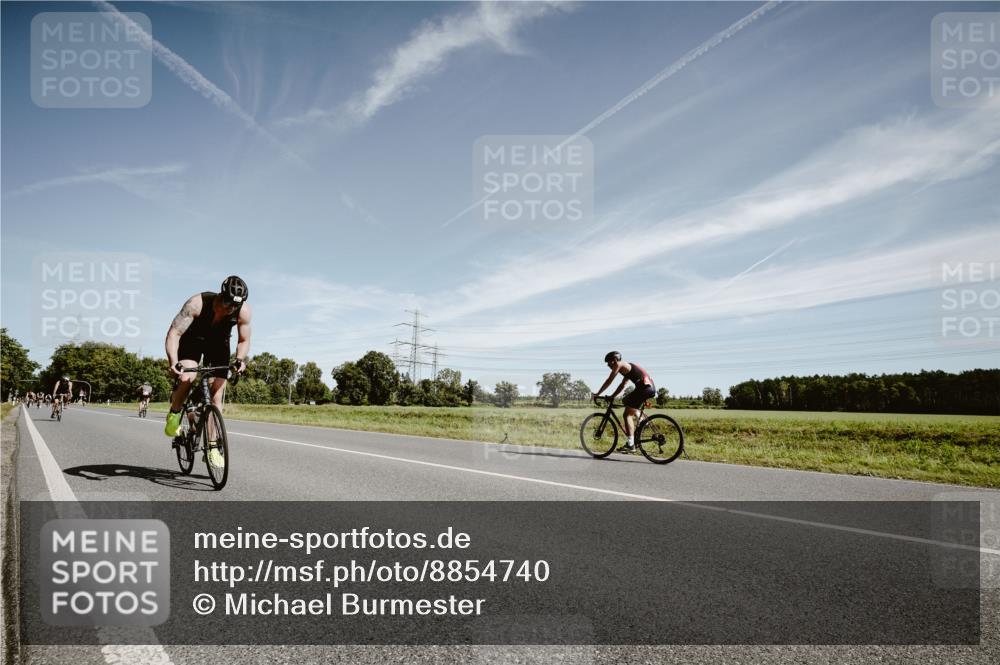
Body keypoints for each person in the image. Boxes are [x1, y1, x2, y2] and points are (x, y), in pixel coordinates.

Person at [163, 276, 252, 466]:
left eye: (235, 305)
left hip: (218, 344)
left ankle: (212, 447)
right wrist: (173, 362)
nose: (231, 308)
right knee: (188, 376)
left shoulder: (243, 311)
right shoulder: (197, 303)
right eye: (228, 303)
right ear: (221, 295)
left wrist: (240, 360)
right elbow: (174, 334)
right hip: (192, 341)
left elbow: (243, 340)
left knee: (216, 396)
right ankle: (175, 411)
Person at [592, 351, 656, 451]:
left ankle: (631, 444)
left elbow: (609, 380)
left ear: (614, 360)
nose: (608, 365)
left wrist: (597, 393)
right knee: (626, 400)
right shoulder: (626, 368)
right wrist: (612, 396)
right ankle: (642, 420)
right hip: (647, 388)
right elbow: (622, 385)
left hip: (644, 388)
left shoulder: (619, 364)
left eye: (609, 362)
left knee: (627, 415)